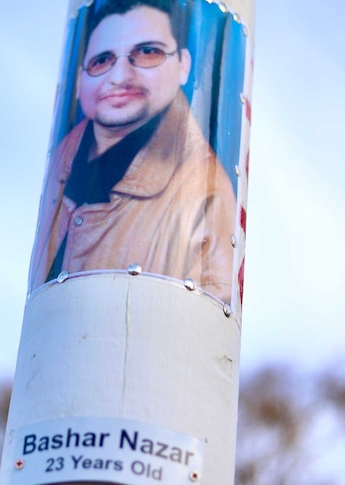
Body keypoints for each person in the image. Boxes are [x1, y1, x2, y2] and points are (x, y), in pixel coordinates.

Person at [28, 0, 236, 301]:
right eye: (102, 60)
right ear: (79, 81)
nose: (119, 77)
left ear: (184, 65)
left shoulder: (207, 190)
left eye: (147, 52)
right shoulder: (62, 158)